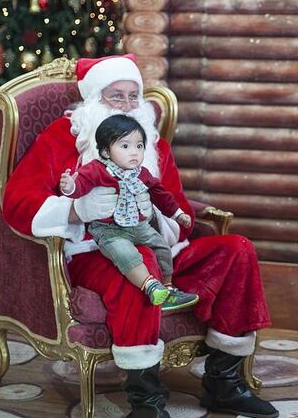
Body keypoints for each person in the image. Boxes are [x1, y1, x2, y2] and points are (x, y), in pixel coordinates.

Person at [3, 54, 278, 418]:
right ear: (94, 99)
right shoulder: (62, 139)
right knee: (141, 266)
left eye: (134, 96)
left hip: (159, 245)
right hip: (94, 250)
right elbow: (17, 203)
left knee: (236, 250)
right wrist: (76, 210)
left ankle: (225, 383)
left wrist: (160, 220)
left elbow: (177, 205)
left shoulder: (151, 145)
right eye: (116, 96)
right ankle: (146, 403)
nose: (128, 106)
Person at [59, 113, 198, 312]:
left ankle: (168, 288)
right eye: (125, 146)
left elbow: (161, 195)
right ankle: (150, 286)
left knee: (161, 247)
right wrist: (70, 186)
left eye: (139, 146)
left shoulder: (142, 173)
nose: (134, 152)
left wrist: (177, 214)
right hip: (109, 230)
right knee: (125, 253)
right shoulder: (97, 170)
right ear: (106, 152)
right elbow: (80, 186)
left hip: (139, 225)